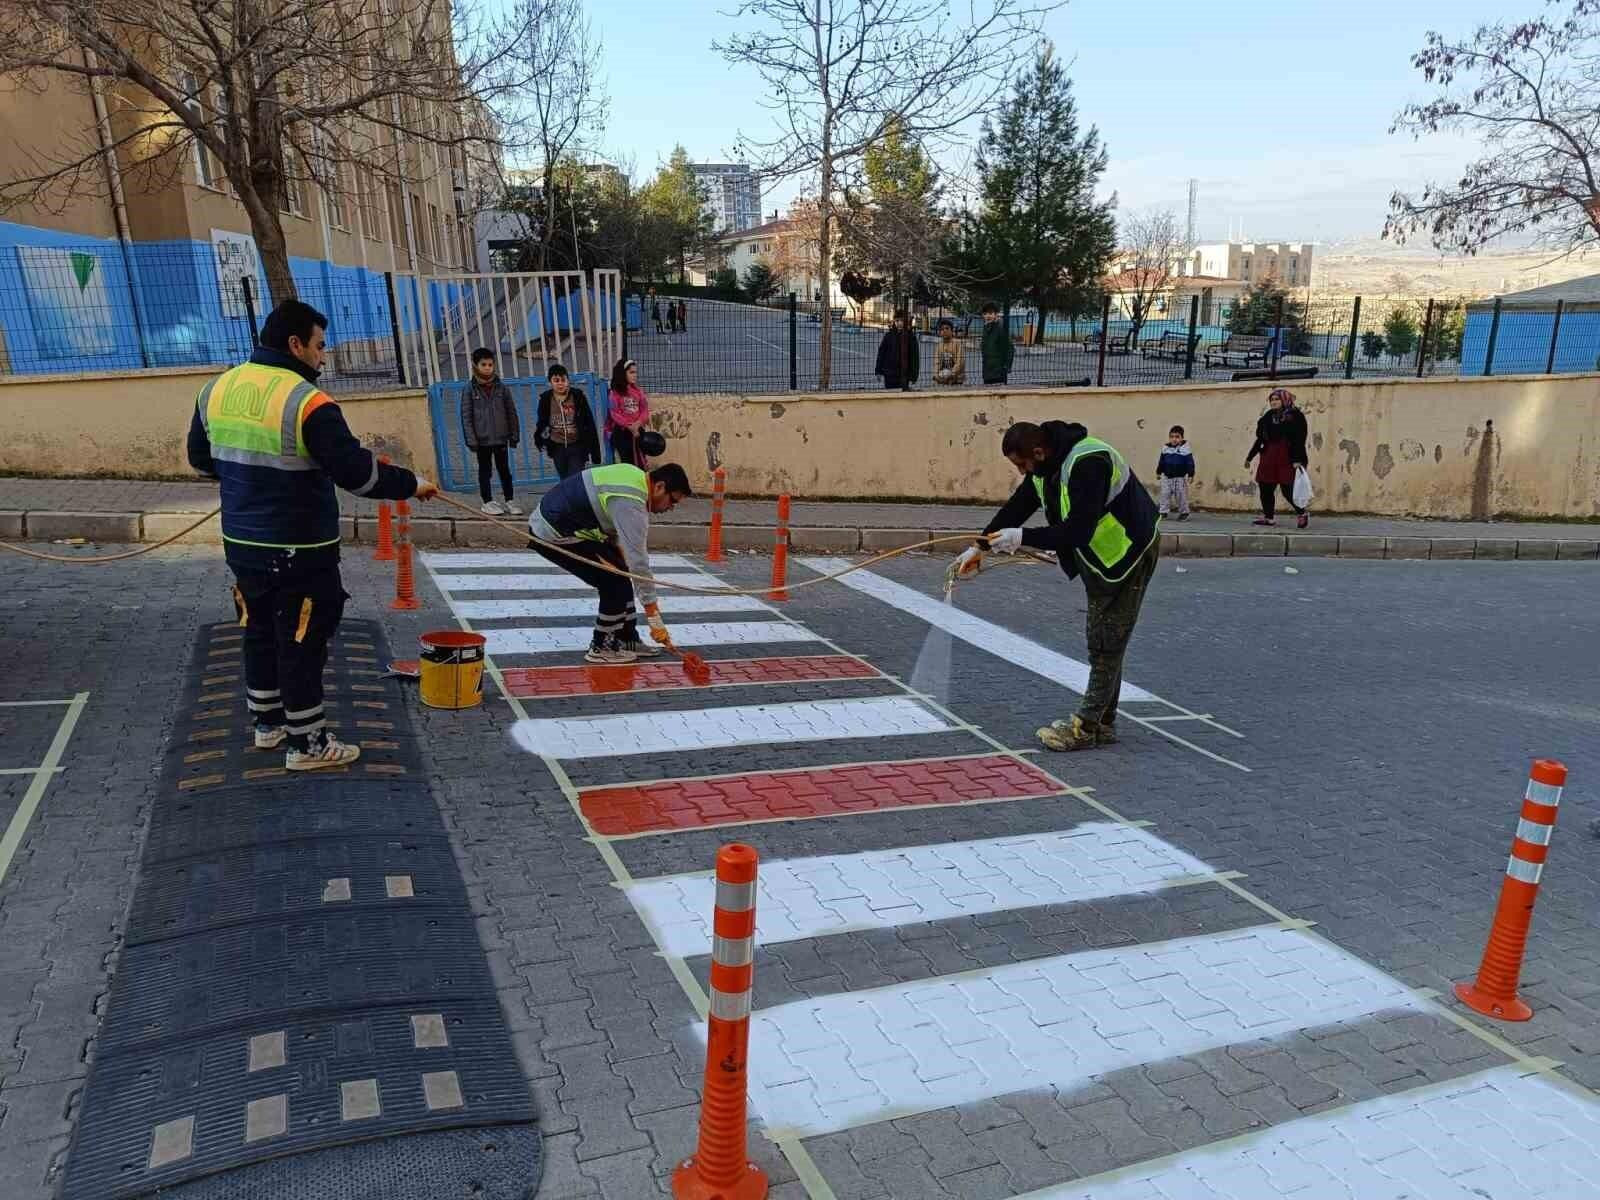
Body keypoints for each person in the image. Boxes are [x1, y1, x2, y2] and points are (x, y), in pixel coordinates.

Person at [187, 299, 436, 770]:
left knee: (259, 626)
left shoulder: (215, 389)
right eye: (320, 346)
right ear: (295, 344)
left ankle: (268, 724)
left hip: (241, 541)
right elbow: (356, 475)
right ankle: (309, 743)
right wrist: (411, 484)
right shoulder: (307, 401)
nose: (324, 357)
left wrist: (249, 484)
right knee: (303, 636)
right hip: (300, 544)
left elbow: (201, 460)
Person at [955, 420, 1159, 753]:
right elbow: (1018, 507)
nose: (1023, 472)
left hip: (1130, 552)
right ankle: (1103, 723)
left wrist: (1023, 538)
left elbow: (1078, 530)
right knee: (1108, 637)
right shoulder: (1045, 468)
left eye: (1022, 464)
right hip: (1103, 558)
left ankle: (1085, 726)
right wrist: (980, 546)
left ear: (1039, 451)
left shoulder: (1088, 462)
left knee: (1106, 641)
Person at [527, 461, 694, 663]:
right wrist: (653, 615)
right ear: (659, 487)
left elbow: (610, 525)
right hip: (555, 532)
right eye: (672, 501)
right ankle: (601, 646)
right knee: (613, 582)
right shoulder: (631, 503)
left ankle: (626, 639)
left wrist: (620, 561)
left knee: (622, 573)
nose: (671, 508)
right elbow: (639, 562)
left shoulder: (635, 475)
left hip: (567, 521)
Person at [463, 347, 521, 515]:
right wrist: (471, 440)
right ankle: (487, 502)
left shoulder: (501, 388)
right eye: (484, 364)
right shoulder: (470, 389)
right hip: (482, 440)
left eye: (490, 364)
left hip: (501, 438)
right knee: (485, 471)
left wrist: (514, 434)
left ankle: (510, 500)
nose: (488, 368)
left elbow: (511, 412)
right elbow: (466, 417)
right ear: (475, 365)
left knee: (505, 471)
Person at [1245, 387, 1310, 527]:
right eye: (1272, 400)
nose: (1274, 402)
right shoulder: (1268, 416)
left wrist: (1298, 460)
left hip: (1287, 456)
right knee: (1265, 486)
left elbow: (1299, 439)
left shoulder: (1295, 415)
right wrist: (1250, 456)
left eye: (1277, 399)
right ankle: (1269, 518)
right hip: (1269, 456)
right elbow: (1261, 438)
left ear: (1284, 400)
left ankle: (1302, 513)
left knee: (1288, 489)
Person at [535, 363, 601, 480]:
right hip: (557, 447)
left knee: (575, 478)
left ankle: (577, 498)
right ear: (550, 382)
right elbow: (542, 423)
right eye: (556, 380)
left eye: (563, 380)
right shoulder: (545, 400)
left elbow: (589, 423)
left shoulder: (577, 397)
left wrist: (595, 452)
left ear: (568, 381)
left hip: (577, 445)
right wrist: (541, 440)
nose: (560, 383)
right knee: (564, 479)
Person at [606, 358, 651, 467]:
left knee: (641, 462)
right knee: (627, 464)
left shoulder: (638, 392)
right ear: (622, 373)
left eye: (635, 372)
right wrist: (629, 426)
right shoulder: (615, 393)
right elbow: (614, 413)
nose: (635, 375)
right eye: (631, 372)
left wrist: (638, 424)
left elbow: (644, 410)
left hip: (638, 431)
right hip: (622, 433)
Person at [1156, 424, 1195, 521]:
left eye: (1177, 437)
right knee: (1165, 494)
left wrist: (1191, 474)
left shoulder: (1185, 450)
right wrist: (1158, 472)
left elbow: (1190, 463)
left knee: (1181, 495)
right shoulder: (1165, 448)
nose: (1174, 439)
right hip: (1167, 477)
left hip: (1179, 478)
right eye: (1172, 437)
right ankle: (1163, 512)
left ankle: (1184, 512)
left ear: (1182, 438)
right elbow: (1162, 461)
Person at [874, 310, 920, 390]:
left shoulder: (911, 337)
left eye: (902, 320)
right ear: (894, 321)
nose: (899, 323)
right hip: (889, 374)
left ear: (906, 321)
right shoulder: (888, 336)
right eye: (897, 320)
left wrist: (914, 376)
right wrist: (878, 371)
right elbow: (881, 354)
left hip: (904, 375)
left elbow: (915, 357)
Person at [980, 302, 1014, 385]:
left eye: (991, 313)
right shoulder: (986, 328)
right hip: (987, 372)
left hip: (999, 372)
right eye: (985, 313)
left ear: (996, 315)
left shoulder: (1000, 328)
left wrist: (1006, 367)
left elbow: (1010, 348)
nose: (988, 316)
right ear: (983, 315)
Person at [932, 319, 966, 386]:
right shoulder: (939, 346)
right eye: (942, 329)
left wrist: (951, 374)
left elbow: (960, 362)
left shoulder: (957, 344)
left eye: (947, 328)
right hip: (942, 379)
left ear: (952, 331)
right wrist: (936, 375)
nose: (944, 331)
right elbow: (936, 362)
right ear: (939, 332)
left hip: (956, 379)